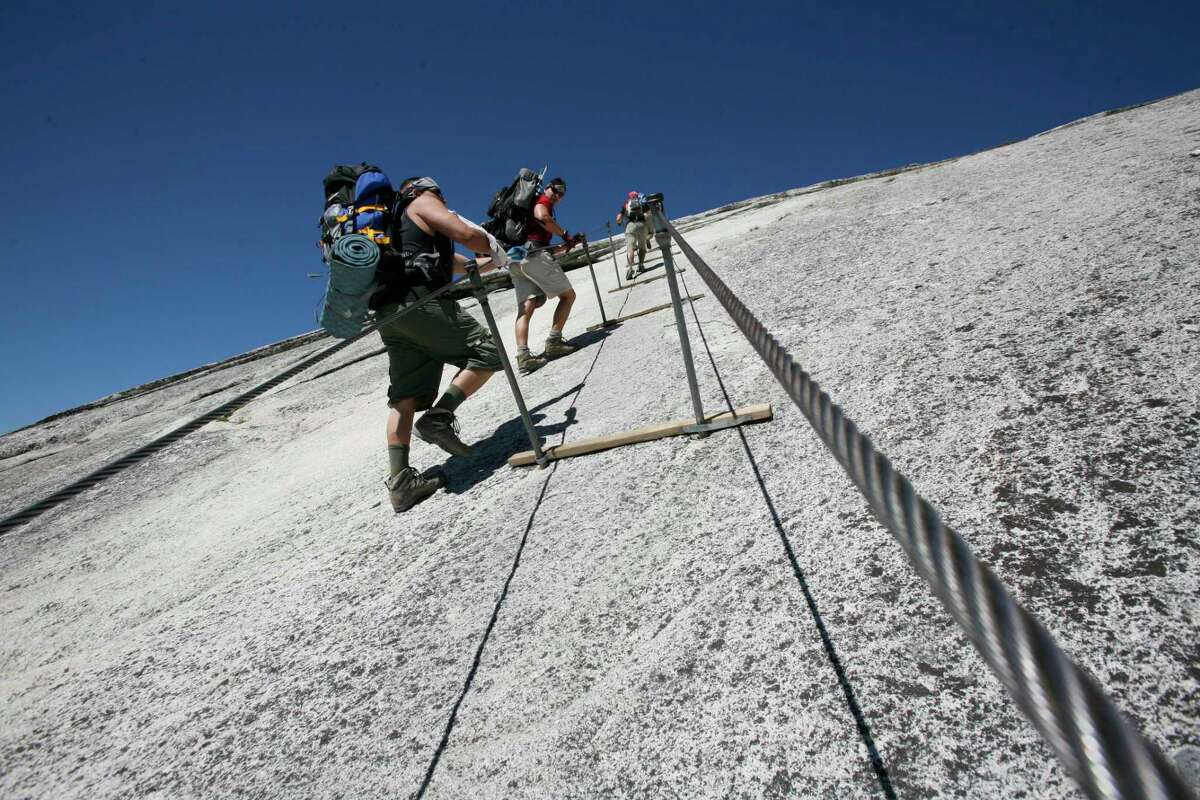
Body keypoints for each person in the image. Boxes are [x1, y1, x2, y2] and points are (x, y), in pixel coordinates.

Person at [373, 176, 509, 512]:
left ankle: (401, 484)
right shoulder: (419, 202)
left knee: (404, 398)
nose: (442, 198)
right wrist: (489, 241)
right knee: (489, 351)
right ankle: (439, 416)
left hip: (391, 314)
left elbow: (464, 266)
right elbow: (466, 235)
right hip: (422, 305)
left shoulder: (400, 236)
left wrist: (498, 259)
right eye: (439, 193)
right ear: (419, 190)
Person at [509, 177, 582, 375]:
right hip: (534, 256)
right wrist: (565, 234)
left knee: (526, 308)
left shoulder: (524, 211)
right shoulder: (542, 201)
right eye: (557, 190)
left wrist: (566, 246)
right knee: (568, 296)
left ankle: (523, 356)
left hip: (516, 259)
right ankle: (554, 341)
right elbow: (543, 217)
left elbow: (541, 244)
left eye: (562, 194)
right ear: (547, 187)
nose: (558, 196)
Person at [616, 191, 650, 280]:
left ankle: (631, 268)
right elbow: (648, 215)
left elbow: (619, 218)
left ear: (629, 197)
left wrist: (619, 222)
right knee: (642, 246)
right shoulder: (642, 203)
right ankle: (641, 265)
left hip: (630, 226)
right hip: (642, 225)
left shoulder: (626, 204)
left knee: (630, 248)